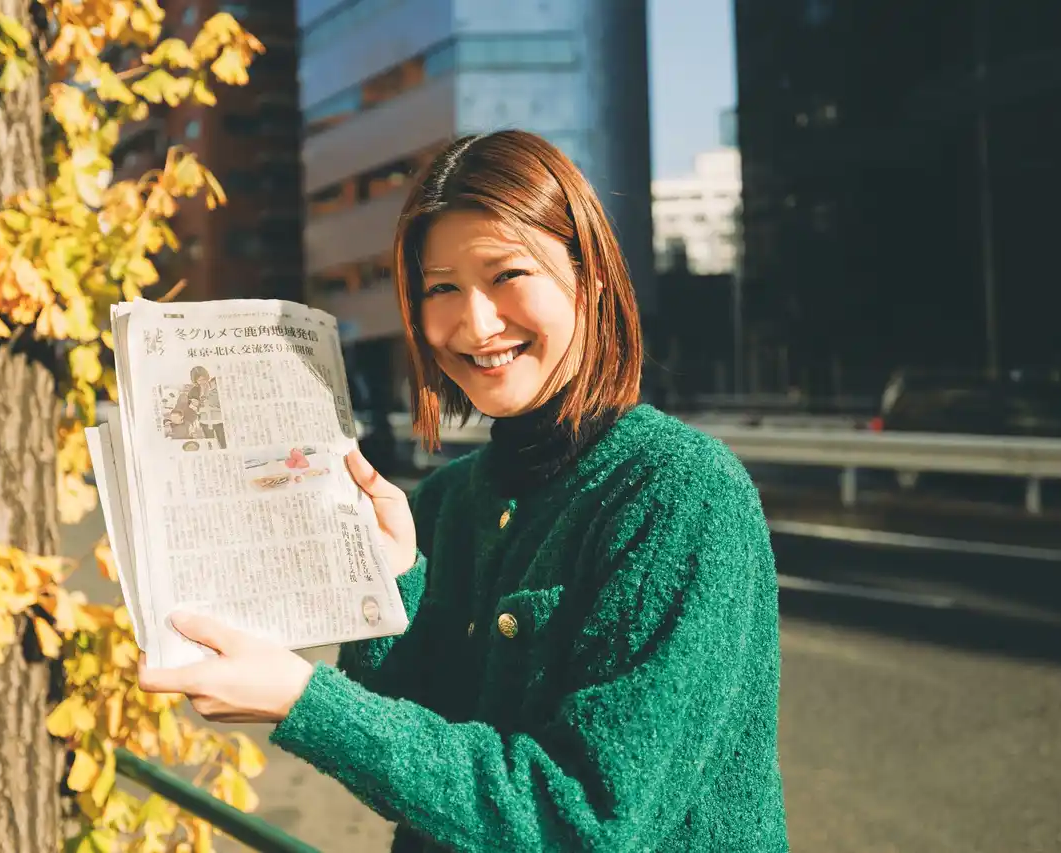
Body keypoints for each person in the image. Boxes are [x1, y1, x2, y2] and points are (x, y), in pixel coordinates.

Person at [138, 130, 789, 852]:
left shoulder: (680, 492)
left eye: (507, 274)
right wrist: (389, 586)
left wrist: (302, 698)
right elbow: (419, 761)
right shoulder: (447, 500)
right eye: (441, 287)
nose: (475, 323)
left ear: (591, 277)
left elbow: (584, 816)